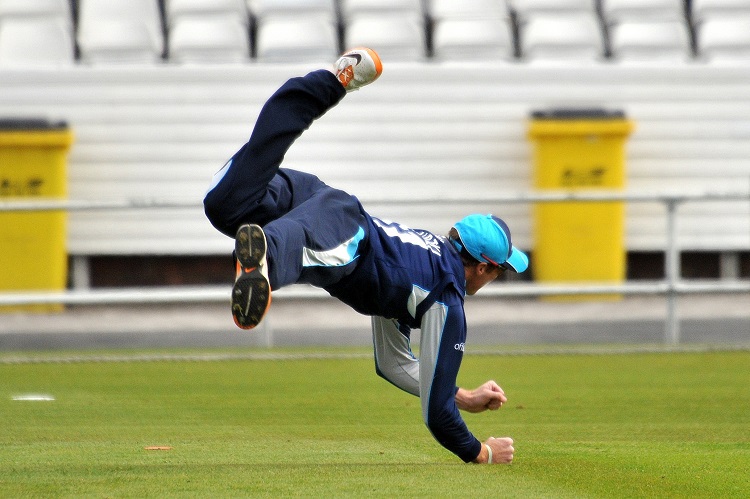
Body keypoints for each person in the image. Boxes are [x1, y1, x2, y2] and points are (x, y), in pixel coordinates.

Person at [203, 48, 528, 465]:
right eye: (498, 272)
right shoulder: (445, 299)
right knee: (289, 243)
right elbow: (436, 415)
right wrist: (480, 451)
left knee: (226, 205)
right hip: (345, 229)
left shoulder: (421, 268)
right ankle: (265, 257)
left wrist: (461, 395)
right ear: (482, 267)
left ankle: (333, 82)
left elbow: (394, 364)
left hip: (316, 198)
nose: (493, 279)